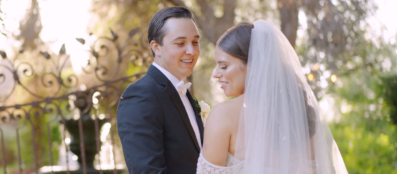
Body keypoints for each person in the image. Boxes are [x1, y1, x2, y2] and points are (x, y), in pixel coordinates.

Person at [196, 20, 348, 174]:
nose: (216, 74)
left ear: (254, 65)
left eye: (224, 66)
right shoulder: (301, 118)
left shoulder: (223, 116)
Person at [117, 7, 204, 173]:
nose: (191, 51)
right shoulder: (140, 96)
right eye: (180, 43)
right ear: (156, 47)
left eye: (195, 42)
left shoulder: (183, 94)